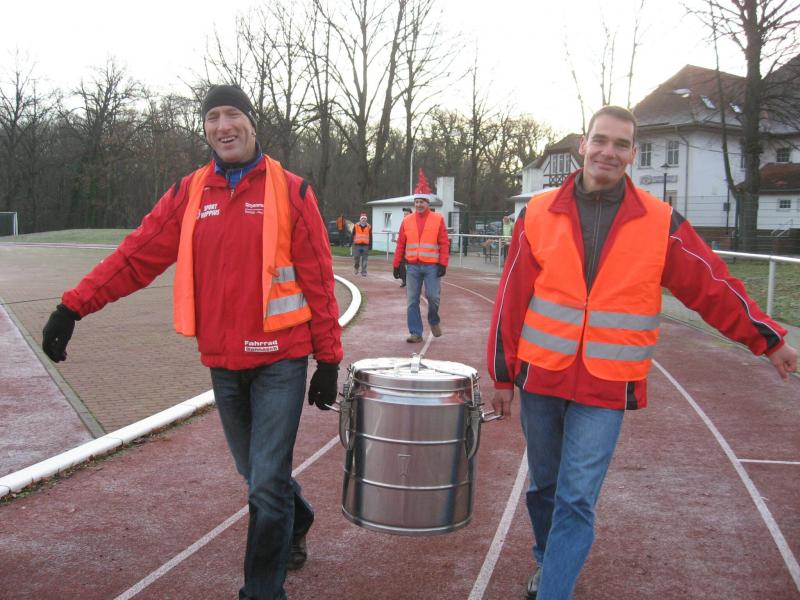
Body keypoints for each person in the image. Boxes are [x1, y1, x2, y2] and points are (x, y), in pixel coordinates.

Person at [41, 84, 343, 600]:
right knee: (257, 475)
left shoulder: (292, 191)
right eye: (212, 117)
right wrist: (72, 307)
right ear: (204, 129)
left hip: (281, 361)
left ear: (252, 122)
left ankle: (262, 591)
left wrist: (329, 358)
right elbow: (135, 257)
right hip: (223, 362)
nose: (223, 126)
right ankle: (296, 519)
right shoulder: (189, 193)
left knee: (266, 483)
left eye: (232, 115)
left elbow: (318, 278)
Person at [486, 105, 797, 600]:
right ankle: (549, 559)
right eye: (600, 140)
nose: (608, 151)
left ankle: (554, 590)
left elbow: (711, 285)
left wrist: (769, 339)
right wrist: (502, 375)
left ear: (632, 154)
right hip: (542, 377)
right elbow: (511, 298)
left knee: (576, 498)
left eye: (621, 144)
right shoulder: (538, 213)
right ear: (582, 146)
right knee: (544, 488)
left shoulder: (660, 222)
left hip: (606, 385)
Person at [392, 171, 449, 342]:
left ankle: (433, 320)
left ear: (427, 203)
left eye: (422, 202)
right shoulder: (406, 221)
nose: (419, 204)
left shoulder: (438, 219)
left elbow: (444, 243)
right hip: (412, 267)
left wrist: (443, 263)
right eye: (416, 202)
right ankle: (416, 333)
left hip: (432, 266)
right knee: (412, 301)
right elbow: (400, 244)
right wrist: (396, 264)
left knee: (433, 297)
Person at [351, 212, 372, 276]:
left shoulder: (369, 226)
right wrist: (350, 242)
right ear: (360, 219)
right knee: (356, 258)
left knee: (365, 259)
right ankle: (356, 268)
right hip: (357, 245)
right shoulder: (356, 225)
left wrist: (370, 245)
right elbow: (352, 235)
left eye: (365, 218)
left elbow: (370, 236)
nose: (363, 220)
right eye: (362, 218)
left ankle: (364, 271)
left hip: (365, 245)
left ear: (366, 219)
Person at [398, 206, 413, 287]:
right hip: (404, 249)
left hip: (412, 250)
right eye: (404, 214)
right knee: (401, 265)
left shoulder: (414, 223)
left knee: (411, 266)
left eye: (406, 214)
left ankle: (412, 281)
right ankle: (404, 280)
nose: (405, 216)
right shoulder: (403, 223)